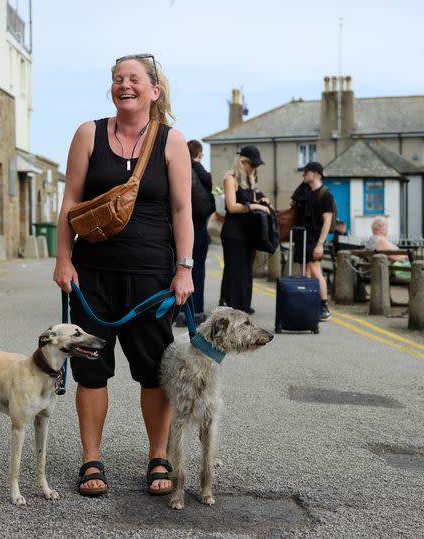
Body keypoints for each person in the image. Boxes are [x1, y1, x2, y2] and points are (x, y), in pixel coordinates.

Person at [52, 53, 193, 498]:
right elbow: (70, 202)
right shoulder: (87, 134)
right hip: (93, 275)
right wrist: (63, 259)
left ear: (154, 90)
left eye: (133, 79)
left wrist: (184, 269)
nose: (123, 85)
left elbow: (182, 210)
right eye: (117, 79)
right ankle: (90, 458)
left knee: (154, 372)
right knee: (91, 370)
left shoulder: (172, 142)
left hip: (151, 278)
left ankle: (158, 455)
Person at [219, 145, 269, 314]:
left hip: (247, 232)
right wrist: (254, 206)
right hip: (233, 233)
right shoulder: (230, 179)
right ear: (243, 162)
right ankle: (234, 309)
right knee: (235, 272)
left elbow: (252, 200)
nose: (254, 168)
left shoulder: (250, 181)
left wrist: (262, 201)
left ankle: (243, 308)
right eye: (252, 165)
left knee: (246, 273)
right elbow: (232, 207)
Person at [290, 161, 335, 321]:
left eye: (306, 172)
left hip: (315, 239)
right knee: (305, 273)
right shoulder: (306, 192)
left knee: (315, 271)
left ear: (315, 173)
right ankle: (310, 304)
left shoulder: (325, 195)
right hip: (302, 237)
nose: (303, 175)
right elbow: (295, 200)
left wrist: (320, 244)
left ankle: (324, 306)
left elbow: (327, 221)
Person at [175, 140, 212, 327]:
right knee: (196, 270)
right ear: (199, 154)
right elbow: (209, 184)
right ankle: (196, 312)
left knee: (180, 268)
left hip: (178, 225)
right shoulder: (198, 169)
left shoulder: (178, 167)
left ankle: (180, 311)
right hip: (197, 226)